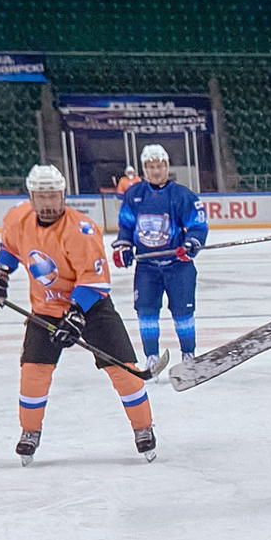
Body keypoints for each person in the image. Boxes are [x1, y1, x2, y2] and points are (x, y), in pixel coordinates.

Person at [0, 164, 154, 463]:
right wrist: (0, 273)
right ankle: (29, 432)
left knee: (124, 369)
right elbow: (10, 248)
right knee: (33, 372)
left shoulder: (81, 230)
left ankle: (144, 428)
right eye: (41, 196)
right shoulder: (17, 218)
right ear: (31, 196)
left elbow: (94, 280)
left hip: (92, 307)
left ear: (63, 195)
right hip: (46, 309)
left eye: (53, 196)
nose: (48, 203)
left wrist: (76, 314)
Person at [113, 143, 209, 375]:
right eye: (151, 166)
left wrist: (191, 244)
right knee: (146, 312)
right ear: (144, 168)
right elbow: (126, 226)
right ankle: (151, 357)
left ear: (167, 166)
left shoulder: (183, 196)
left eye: (160, 165)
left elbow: (198, 226)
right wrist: (124, 246)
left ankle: (188, 355)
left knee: (183, 312)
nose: (156, 171)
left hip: (178, 266)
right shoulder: (134, 195)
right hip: (146, 267)